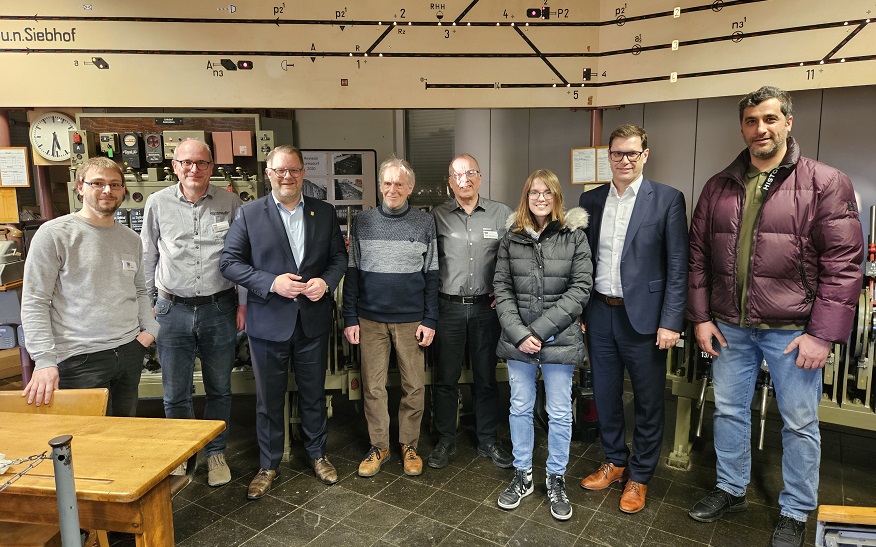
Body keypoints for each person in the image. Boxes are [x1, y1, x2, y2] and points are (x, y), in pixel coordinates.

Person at [686, 86, 863, 547]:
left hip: (792, 332)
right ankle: (730, 487)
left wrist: (821, 335)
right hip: (730, 327)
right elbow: (698, 258)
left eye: (769, 119)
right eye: (750, 121)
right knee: (728, 410)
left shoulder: (825, 182)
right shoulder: (719, 185)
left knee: (800, 422)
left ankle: (796, 509)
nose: (759, 129)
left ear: (788, 122)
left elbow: (844, 266)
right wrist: (702, 318)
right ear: (742, 127)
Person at [221, 144, 347, 499]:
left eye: (293, 170)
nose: (287, 176)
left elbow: (339, 258)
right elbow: (229, 263)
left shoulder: (323, 212)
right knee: (269, 399)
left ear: (303, 172)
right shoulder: (249, 214)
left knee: (313, 394)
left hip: (312, 322)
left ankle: (317, 454)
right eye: (280, 170)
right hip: (268, 324)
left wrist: (326, 281)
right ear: (268, 173)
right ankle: (269, 464)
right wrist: (271, 282)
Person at [578, 125, 688, 513]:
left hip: (645, 319)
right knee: (606, 395)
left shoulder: (668, 200)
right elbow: (581, 260)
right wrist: (580, 310)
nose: (624, 160)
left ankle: (639, 477)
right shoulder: (589, 200)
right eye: (616, 153)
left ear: (645, 155)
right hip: (600, 313)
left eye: (632, 153)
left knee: (647, 401)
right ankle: (615, 461)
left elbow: (678, 265)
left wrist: (672, 321)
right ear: (607, 156)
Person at [140, 139, 244, 487]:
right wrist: (149, 304)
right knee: (175, 392)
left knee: (219, 388)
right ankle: (182, 455)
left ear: (212, 167)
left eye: (201, 163)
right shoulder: (157, 203)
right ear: (174, 165)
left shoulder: (230, 202)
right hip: (171, 308)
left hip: (220, 307)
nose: (194, 169)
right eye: (186, 162)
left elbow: (243, 257)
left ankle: (215, 453)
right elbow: (147, 256)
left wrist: (242, 302)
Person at [21, 157, 159, 416]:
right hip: (79, 359)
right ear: (80, 187)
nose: (107, 190)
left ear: (123, 191)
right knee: (86, 439)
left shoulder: (130, 239)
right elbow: (35, 301)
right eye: (97, 183)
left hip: (129, 351)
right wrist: (44, 359)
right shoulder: (54, 235)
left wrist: (150, 329)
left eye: (114, 184)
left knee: (123, 430)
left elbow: (139, 290)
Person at [493, 169, 592, 521]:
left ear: (556, 197)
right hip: (519, 340)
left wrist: (539, 330)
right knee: (519, 407)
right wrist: (521, 334)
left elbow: (581, 289)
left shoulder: (574, 237)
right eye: (534, 192)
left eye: (547, 192)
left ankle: (556, 477)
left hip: (559, 338)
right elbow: (501, 290)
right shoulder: (512, 237)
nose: (540, 198)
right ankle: (523, 475)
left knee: (560, 411)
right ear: (526, 196)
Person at [342, 156, 439, 478]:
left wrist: (430, 319)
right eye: (387, 183)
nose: (393, 189)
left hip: (412, 320)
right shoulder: (363, 222)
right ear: (380, 186)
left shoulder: (424, 223)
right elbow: (352, 273)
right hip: (370, 320)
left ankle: (408, 445)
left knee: (414, 386)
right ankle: (379, 446)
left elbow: (432, 275)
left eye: (400, 183)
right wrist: (350, 317)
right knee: (373, 387)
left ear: (410, 187)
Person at [428, 153, 513, 470]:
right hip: (448, 308)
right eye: (457, 174)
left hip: (485, 310)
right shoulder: (437, 216)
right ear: (450, 181)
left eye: (470, 173)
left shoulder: (501, 213)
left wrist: (503, 294)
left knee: (486, 378)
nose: (464, 179)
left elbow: (514, 259)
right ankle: (446, 439)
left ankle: (487, 440)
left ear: (480, 177)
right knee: (446, 378)